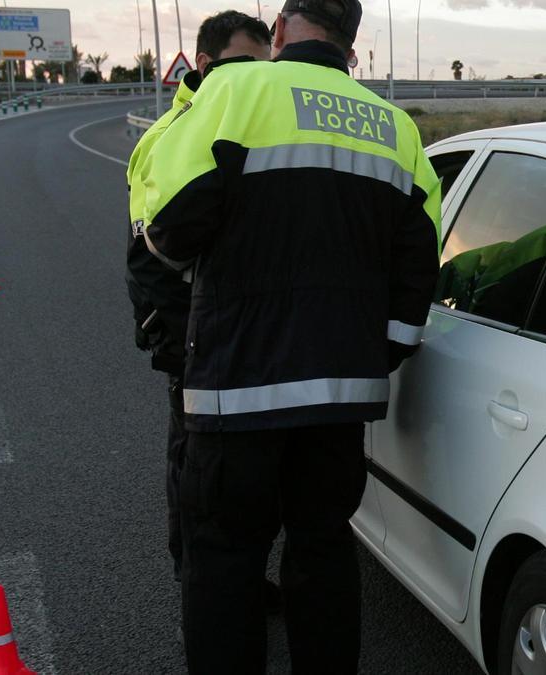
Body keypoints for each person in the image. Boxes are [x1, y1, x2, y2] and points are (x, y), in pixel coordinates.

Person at [138, 0, 441, 671]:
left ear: (278, 29)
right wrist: (378, 351)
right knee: (324, 547)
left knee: (223, 557)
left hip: (234, 391)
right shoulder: (393, 126)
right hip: (340, 393)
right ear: (352, 42)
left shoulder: (233, 90)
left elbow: (164, 222)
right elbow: (420, 260)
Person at [124, 9, 279, 608]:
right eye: (244, 64)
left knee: (242, 472)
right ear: (208, 65)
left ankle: (239, 579)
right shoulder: (167, 137)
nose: (256, 78)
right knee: (194, 466)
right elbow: (148, 256)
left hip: (246, 335)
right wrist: (174, 338)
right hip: (194, 338)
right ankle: (195, 579)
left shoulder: (245, 117)